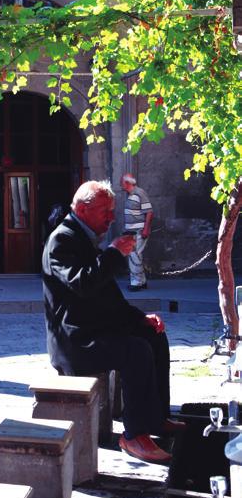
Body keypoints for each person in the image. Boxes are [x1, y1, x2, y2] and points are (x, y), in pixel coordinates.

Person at [42, 180, 184, 464]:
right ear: (83, 209)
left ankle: (156, 418)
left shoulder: (83, 237)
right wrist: (113, 253)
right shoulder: (62, 239)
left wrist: (140, 318)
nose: (111, 218)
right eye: (106, 211)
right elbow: (82, 283)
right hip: (75, 341)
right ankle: (134, 435)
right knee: (135, 351)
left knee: (152, 334)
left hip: (93, 327)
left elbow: (108, 297)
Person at [120, 173, 153, 291]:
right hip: (132, 231)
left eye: (122, 182)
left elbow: (149, 212)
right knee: (136, 256)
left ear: (127, 183)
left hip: (138, 231)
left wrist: (146, 229)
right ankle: (142, 281)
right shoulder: (130, 195)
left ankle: (136, 282)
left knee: (134, 256)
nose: (120, 184)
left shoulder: (139, 193)